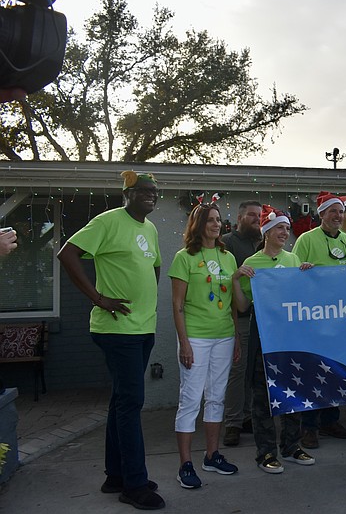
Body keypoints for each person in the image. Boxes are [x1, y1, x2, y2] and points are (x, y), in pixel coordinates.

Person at [57, 170, 164, 510]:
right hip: (116, 330)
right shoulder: (107, 222)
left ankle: (115, 475)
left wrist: (145, 296)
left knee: (122, 401)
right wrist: (99, 298)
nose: (151, 195)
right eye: (143, 190)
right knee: (131, 404)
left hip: (142, 328)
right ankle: (134, 486)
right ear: (127, 194)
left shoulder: (150, 229)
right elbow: (67, 254)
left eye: (154, 191)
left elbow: (155, 267)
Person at [230, 205, 316, 473]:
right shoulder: (252, 264)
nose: (285, 232)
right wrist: (235, 279)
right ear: (266, 231)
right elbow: (243, 306)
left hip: (291, 337)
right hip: (264, 336)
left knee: (295, 391)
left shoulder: (293, 260)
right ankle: (266, 453)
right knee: (262, 397)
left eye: (287, 229)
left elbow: (305, 298)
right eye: (280, 227)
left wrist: (309, 275)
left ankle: (291, 446)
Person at [169, 202, 240, 489]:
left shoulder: (228, 256)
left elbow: (235, 304)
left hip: (223, 335)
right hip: (195, 338)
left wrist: (235, 337)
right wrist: (184, 343)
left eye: (219, 220)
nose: (215, 224)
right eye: (210, 220)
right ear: (198, 224)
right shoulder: (184, 257)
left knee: (217, 398)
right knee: (190, 399)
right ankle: (185, 464)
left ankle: (212, 455)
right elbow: (177, 306)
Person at [292, 192, 346, 448]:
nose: (338, 216)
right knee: (313, 371)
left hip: (342, 318)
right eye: (333, 211)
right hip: (315, 319)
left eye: (341, 212)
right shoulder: (306, 240)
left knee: (336, 371)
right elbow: (293, 274)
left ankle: (331, 420)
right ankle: (309, 426)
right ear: (322, 214)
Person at [222, 200, 263, 447]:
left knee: (254, 370)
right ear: (239, 218)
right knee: (238, 371)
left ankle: (248, 416)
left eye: (259, 215)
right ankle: (233, 423)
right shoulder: (227, 243)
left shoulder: (262, 243)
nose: (256, 219)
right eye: (251, 215)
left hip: (264, 319)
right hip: (239, 318)